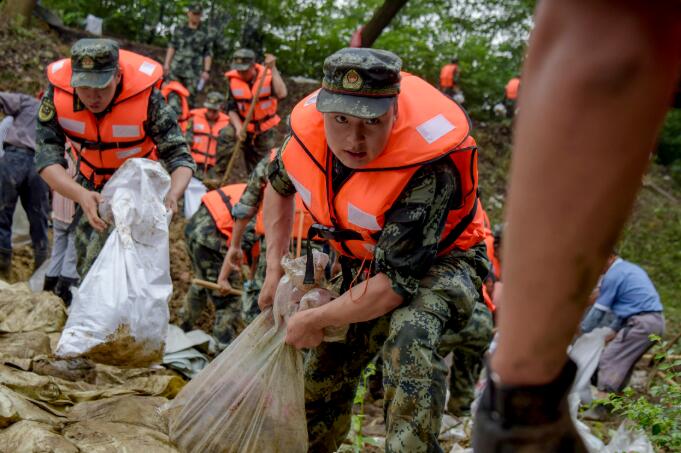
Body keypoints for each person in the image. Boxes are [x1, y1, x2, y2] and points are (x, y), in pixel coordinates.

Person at [473, 1, 681, 451]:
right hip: (635, 319)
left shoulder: (616, 272)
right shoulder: (495, 257)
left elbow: (608, 50)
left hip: (644, 321)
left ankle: (598, 403)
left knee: (612, 361)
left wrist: (523, 398)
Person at [260, 48, 490, 452]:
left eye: (372, 122)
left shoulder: (427, 167)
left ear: (394, 113)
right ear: (324, 111)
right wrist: (273, 272)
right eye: (341, 120)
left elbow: (396, 285)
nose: (354, 139)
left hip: (440, 261)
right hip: (360, 256)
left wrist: (315, 319)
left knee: (409, 337)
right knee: (322, 372)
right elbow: (278, 188)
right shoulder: (306, 138)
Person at [35, 39, 195, 277]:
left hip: (137, 188)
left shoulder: (147, 98)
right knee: (85, 262)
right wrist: (80, 194)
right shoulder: (57, 95)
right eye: (85, 87)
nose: (93, 97)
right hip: (90, 187)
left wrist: (172, 194)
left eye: (101, 87)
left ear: (118, 76)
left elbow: (180, 156)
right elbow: (46, 157)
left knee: (124, 268)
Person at [216, 151, 316, 325]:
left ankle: (261, 344)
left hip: (279, 249)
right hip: (312, 252)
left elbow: (246, 207)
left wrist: (235, 245)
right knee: (307, 309)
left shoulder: (274, 158)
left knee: (263, 309)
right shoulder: (340, 155)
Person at [580, 254, 664, 393]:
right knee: (624, 362)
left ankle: (601, 406)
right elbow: (628, 307)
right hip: (654, 323)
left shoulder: (614, 274)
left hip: (641, 324)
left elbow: (599, 310)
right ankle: (615, 404)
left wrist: (582, 330)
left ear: (610, 257)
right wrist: (612, 331)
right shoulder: (630, 269)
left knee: (609, 359)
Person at [180, 184, 246, 346]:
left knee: (203, 280)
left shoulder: (252, 188)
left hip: (193, 229)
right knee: (228, 299)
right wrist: (226, 277)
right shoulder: (273, 205)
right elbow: (249, 245)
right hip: (212, 240)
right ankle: (222, 351)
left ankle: (183, 326)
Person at [0, 91, 50, 277]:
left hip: (15, 156)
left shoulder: (26, 101)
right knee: (39, 218)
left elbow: (3, 99)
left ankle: (3, 269)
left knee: (3, 214)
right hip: (42, 164)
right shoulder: (59, 112)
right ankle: (41, 270)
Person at [222, 49, 287, 172]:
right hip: (245, 127)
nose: (241, 73)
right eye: (239, 70)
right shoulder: (232, 80)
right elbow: (230, 107)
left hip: (265, 129)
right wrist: (238, 127)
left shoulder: (268, 76)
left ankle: (263, 186)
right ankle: (221, 176)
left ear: (253, 66)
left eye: (245, 70)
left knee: (265, 164)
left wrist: (273, 68)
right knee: (227, 136)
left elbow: (282, 93)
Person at [43, 151, 79, 305]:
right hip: (73, 212)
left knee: (57, 252)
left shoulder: (58, 151)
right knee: (71, 257)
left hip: (58, 211)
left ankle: (48, 291)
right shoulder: (79, 153)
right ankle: (64, 297)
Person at [163, 4, 213, 105]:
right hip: (176, 69)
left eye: (198, 14)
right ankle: (168, 119)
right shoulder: (179, 29)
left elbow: (208, 52)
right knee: (170, 94)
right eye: (194, 14)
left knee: (189, 99)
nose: (196, 16)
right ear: (188, 13)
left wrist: (206, 71)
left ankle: (186, 120)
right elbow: (172, 46)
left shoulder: (206, 33)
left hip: (194, 72)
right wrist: (167, 64)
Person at [185, 91, 230, 179]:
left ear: (220, 109)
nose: (211, 113)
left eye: (214, 111)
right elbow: (187, 141)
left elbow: (227, 152)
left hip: (214, 167)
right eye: (209, 109)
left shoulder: (227, 125)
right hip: (194, 163)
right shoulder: (193, 119)